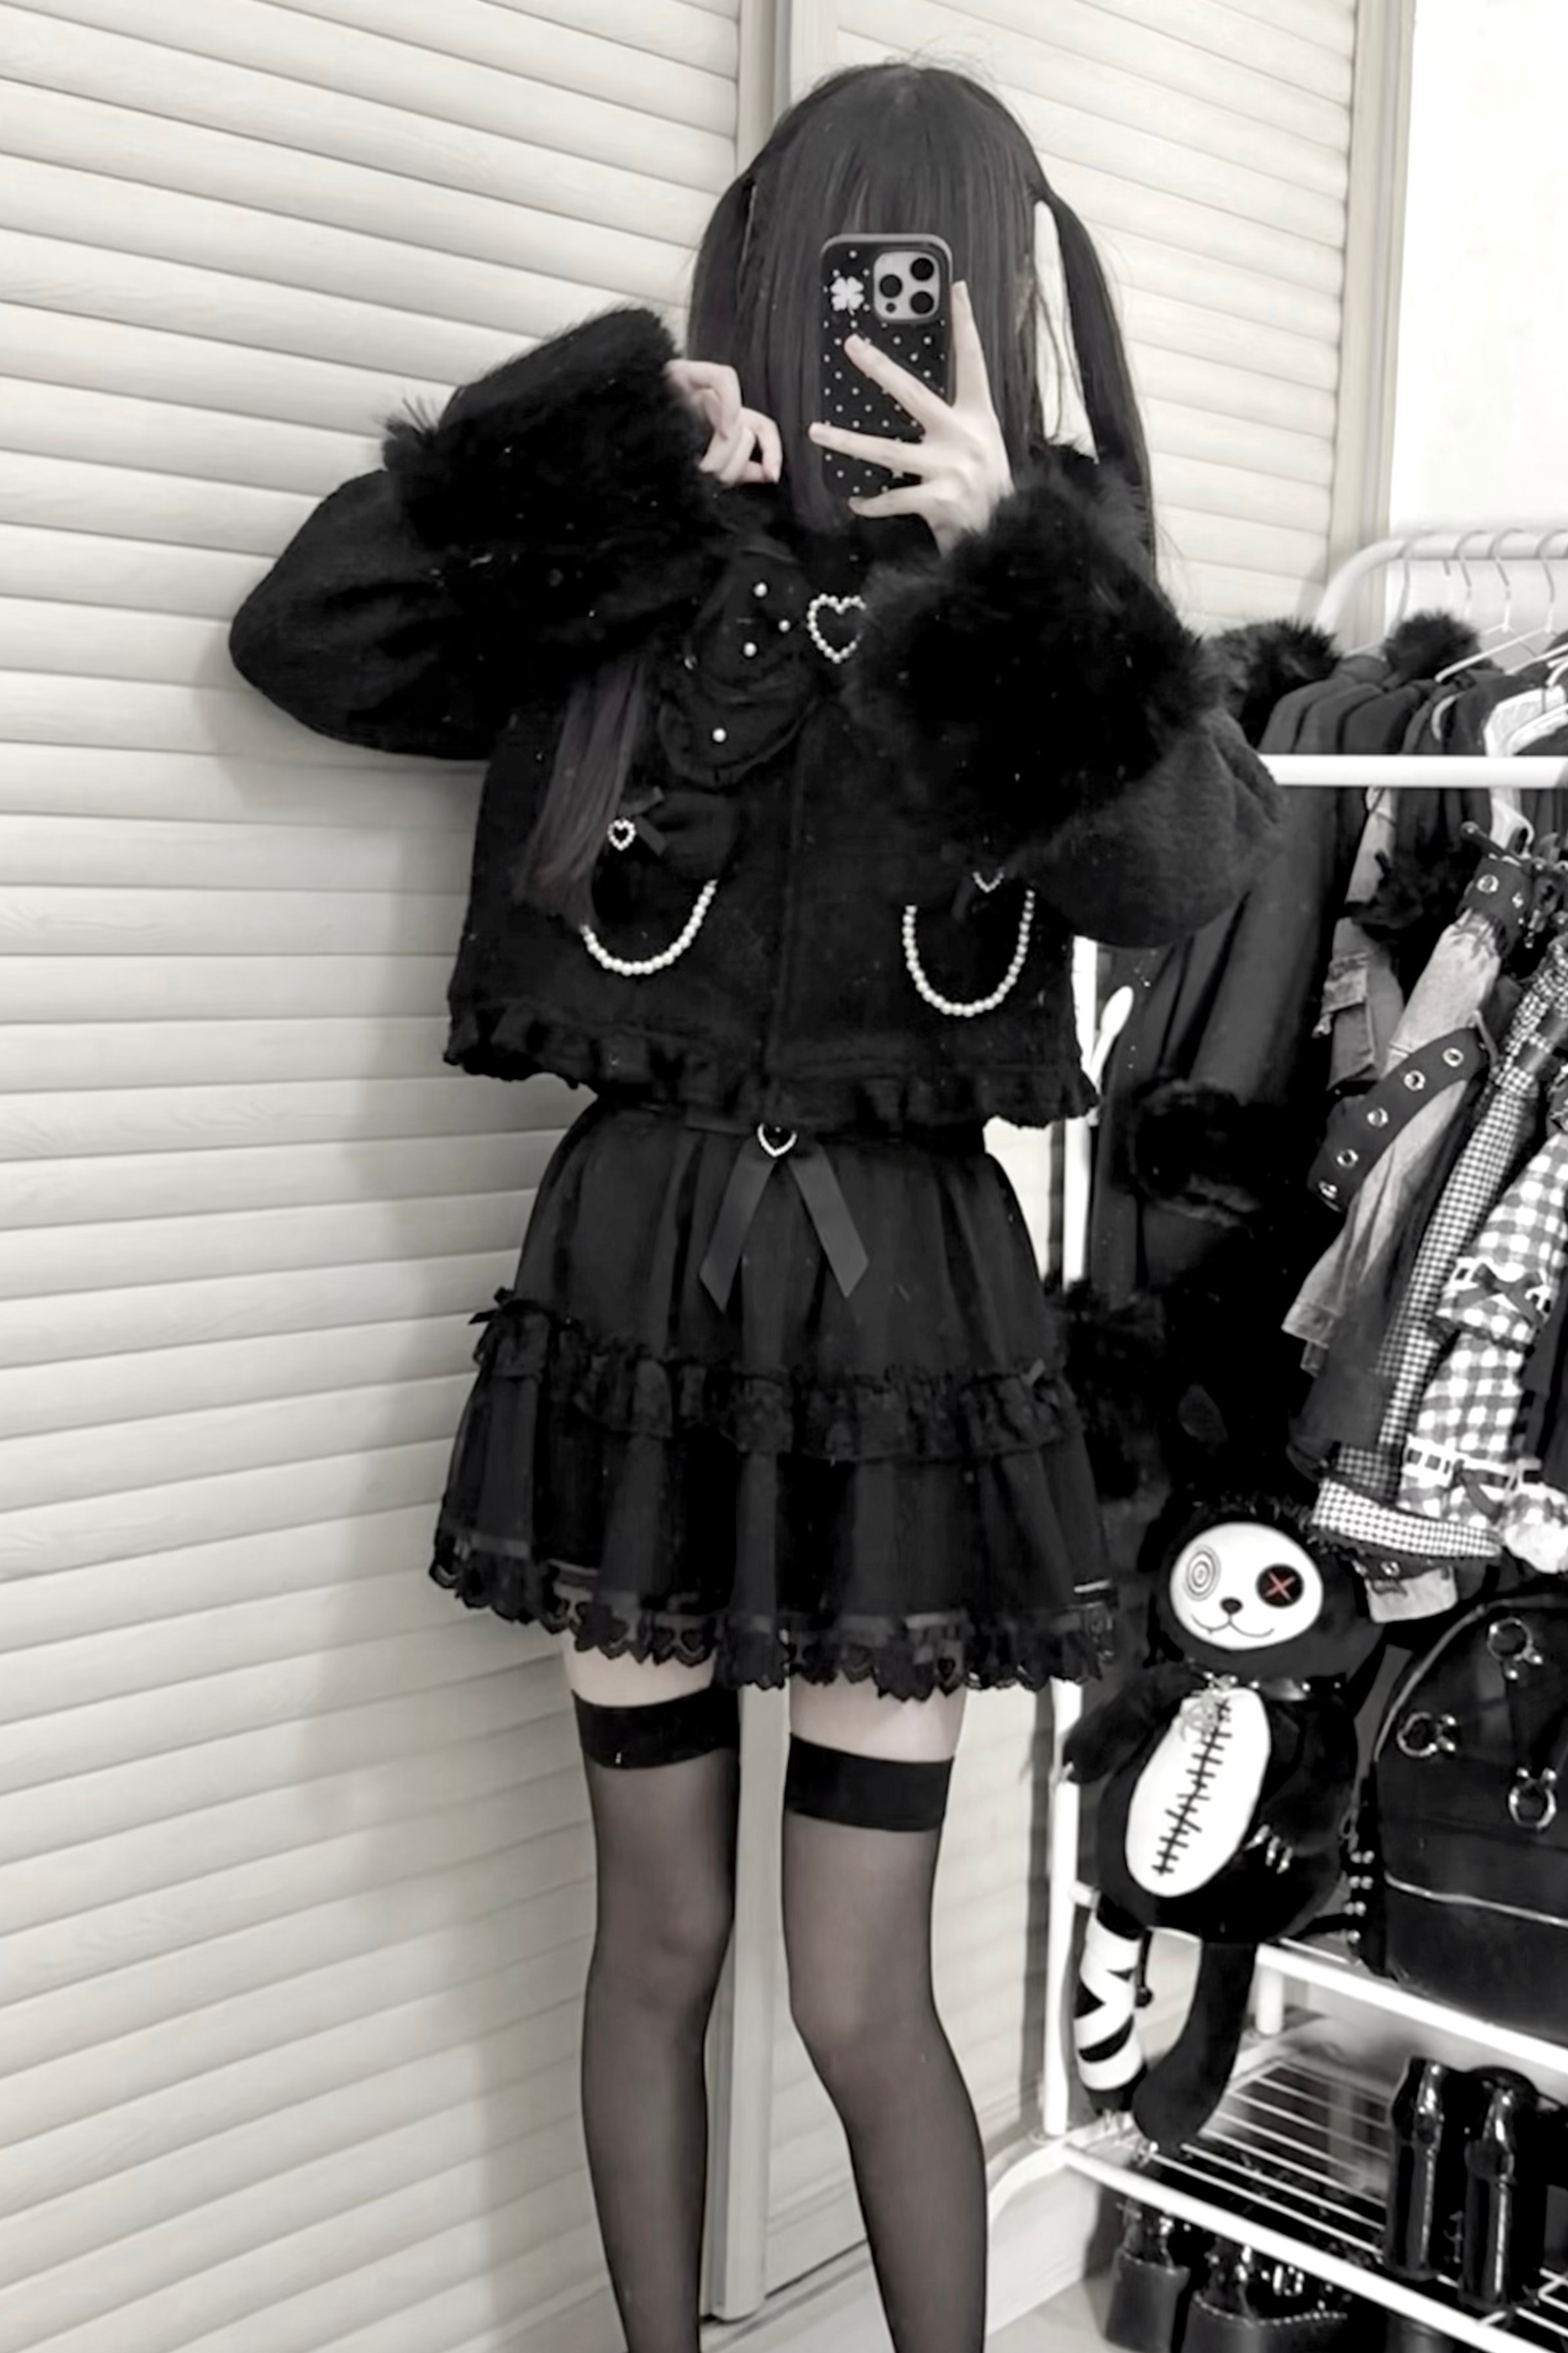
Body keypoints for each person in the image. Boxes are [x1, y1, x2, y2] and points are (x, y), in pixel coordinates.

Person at [229, 61, 1280, 2353]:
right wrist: (596, 445)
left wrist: (1028, 564)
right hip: (640, 1286)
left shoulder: (1044, 596)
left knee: (856, 1985)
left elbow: (1192, 869)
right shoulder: (650, 554)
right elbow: (306, 641)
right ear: (780, 272)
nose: (889, 310)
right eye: (856, 264)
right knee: (661, 1938)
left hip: (907, 1325)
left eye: (939, 272)